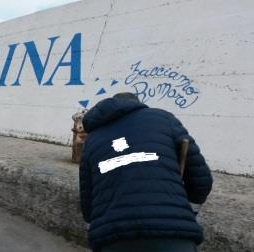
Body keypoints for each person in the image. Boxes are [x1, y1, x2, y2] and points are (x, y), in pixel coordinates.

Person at [79, 92, 213, 252]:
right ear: (137, 104)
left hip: (114, 239)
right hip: (173, 234)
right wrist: (188, 212)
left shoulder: (92, 141)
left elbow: (88, 204)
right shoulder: (163, 119)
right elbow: (201, 180)